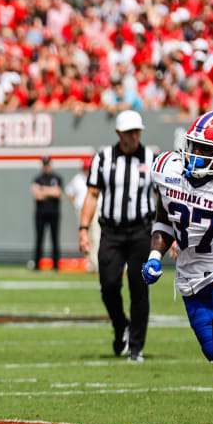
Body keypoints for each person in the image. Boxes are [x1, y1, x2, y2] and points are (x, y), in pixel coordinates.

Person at [142, 111, 213, 399]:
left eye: (205, 149)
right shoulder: (169, 169)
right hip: (190, 282)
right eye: (194, 146)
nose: (196, 154)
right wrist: (155, 254)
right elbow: (164, 219)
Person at [78, 110, 156, 362]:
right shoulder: (103, 158)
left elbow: (162, 198)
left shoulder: (151, 158)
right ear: (119, 133)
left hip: (141, 231)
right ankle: (120, 323)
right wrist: (83, 229)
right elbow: (92, 194)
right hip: (111, 231)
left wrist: (170, 233)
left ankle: (136, 347)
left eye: (137, 131)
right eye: (130, 132)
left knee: (139, 287)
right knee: (109, 284)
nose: (134, 136)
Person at [66, 157, 100, 272]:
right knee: (85, 237)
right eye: (85, 168)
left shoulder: (96, 178)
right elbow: (69, 191)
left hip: (94, 211)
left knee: (96, 236)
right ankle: (91, 264)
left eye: (88, 168)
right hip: (81, 211)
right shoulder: (78, 179)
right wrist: (75, 203)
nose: (86, 170)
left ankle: (97, 263)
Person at [31, 156, 62, 270]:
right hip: (40, 213)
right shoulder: (38, 178)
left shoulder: (56, 178)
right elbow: (37, 195)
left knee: (55, 239)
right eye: (45, 165)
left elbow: (58, 193)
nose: (46, 167)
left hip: (54, 213)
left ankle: (55, 265)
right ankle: (37, 264)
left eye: (48, 164)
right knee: (39, 238)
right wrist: (50, 191)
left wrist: (43, 189)